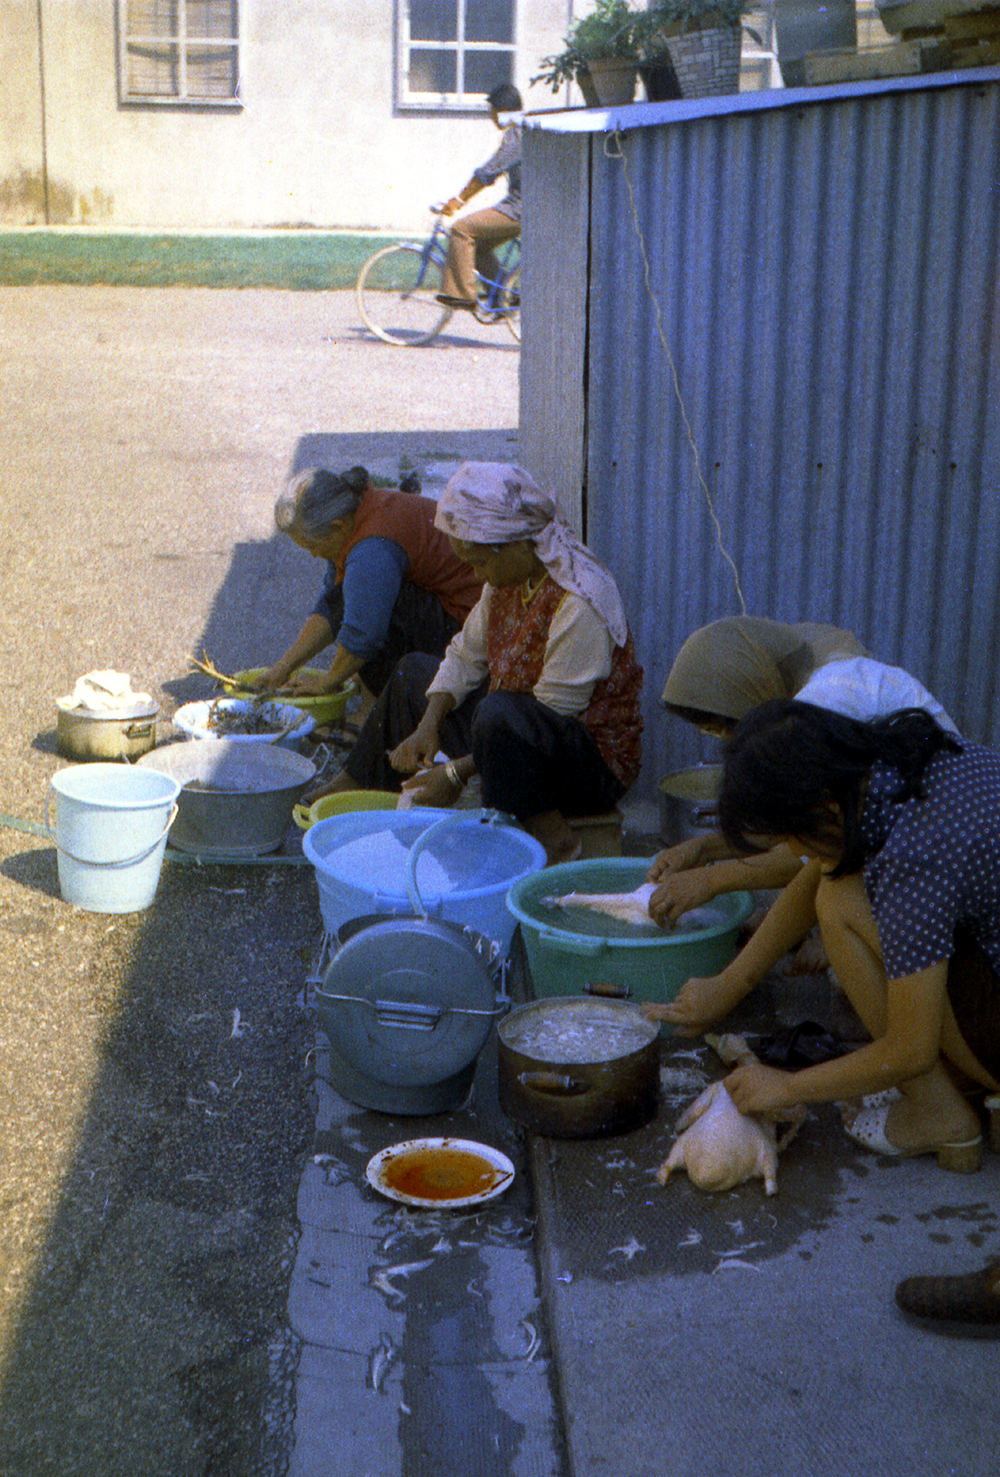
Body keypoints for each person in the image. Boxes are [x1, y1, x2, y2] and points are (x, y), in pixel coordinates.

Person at [648, 698, 1000, 1173]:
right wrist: (732, 984)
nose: (791, 851)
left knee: (839, 903)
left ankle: (940, 1116)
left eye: (789, 836)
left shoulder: (913, 856)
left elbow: (911, 1049)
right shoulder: (906, 762)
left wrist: (788, 1086)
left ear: (823, 807)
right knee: (837, 882)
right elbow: (821, 865)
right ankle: (961, 1079)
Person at [322, 461, 644, 864]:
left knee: (500, 713)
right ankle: (366, 789)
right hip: (515, 733)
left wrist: (455, 773)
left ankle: (554, 838)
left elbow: (544, 721)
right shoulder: (508, 578)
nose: (477, 574)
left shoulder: (580, 600)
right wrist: (428, 725)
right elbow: (465, 653)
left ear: (515, 544)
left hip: (587, 763)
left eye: (480, 562)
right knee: (412, 672)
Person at [645, 617, 957, 929]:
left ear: (747, 697)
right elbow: (806, 843)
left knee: (834, 903)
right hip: (930, 849)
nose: (728, 743)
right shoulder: (817, 694)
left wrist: (711, 879)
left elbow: (810, 853)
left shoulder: (821, 710)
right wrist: (703, 848)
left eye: (723, 730)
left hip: (940, 869)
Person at [255, 465, 482, 703]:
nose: (313, 554)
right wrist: (282, 668)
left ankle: (376, 707)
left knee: (371, 606)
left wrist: (325, 684)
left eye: (312, 546)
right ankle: (373, 694)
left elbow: (363, 635)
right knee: (359, 596)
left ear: (337, 527)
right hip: (448, 612)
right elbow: (332, 605)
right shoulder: (356, 513)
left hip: (468, 629)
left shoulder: (372, 546)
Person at [436, 82, 522, 313]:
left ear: (502, 110)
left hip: (519, 209)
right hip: (520, 206)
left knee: (462, 229)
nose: (490, 117)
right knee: (479, 249)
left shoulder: (517, 135)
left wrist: (459, 200)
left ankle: (462, 295)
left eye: (492, 111)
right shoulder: (521, 131)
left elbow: (487, 173)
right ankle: (504, 299)